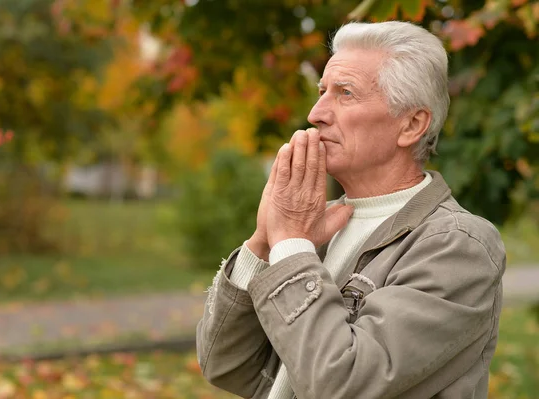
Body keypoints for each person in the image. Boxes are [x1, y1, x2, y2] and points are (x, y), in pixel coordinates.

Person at [196, 21, 505, 399]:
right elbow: (225, 366)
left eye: (345, 93)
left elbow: (343, 383)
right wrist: (263, 243)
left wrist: (291, 246)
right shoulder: (314, 227)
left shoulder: (457, 246)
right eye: (321, 91)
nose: (316, 113)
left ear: (411, 124)